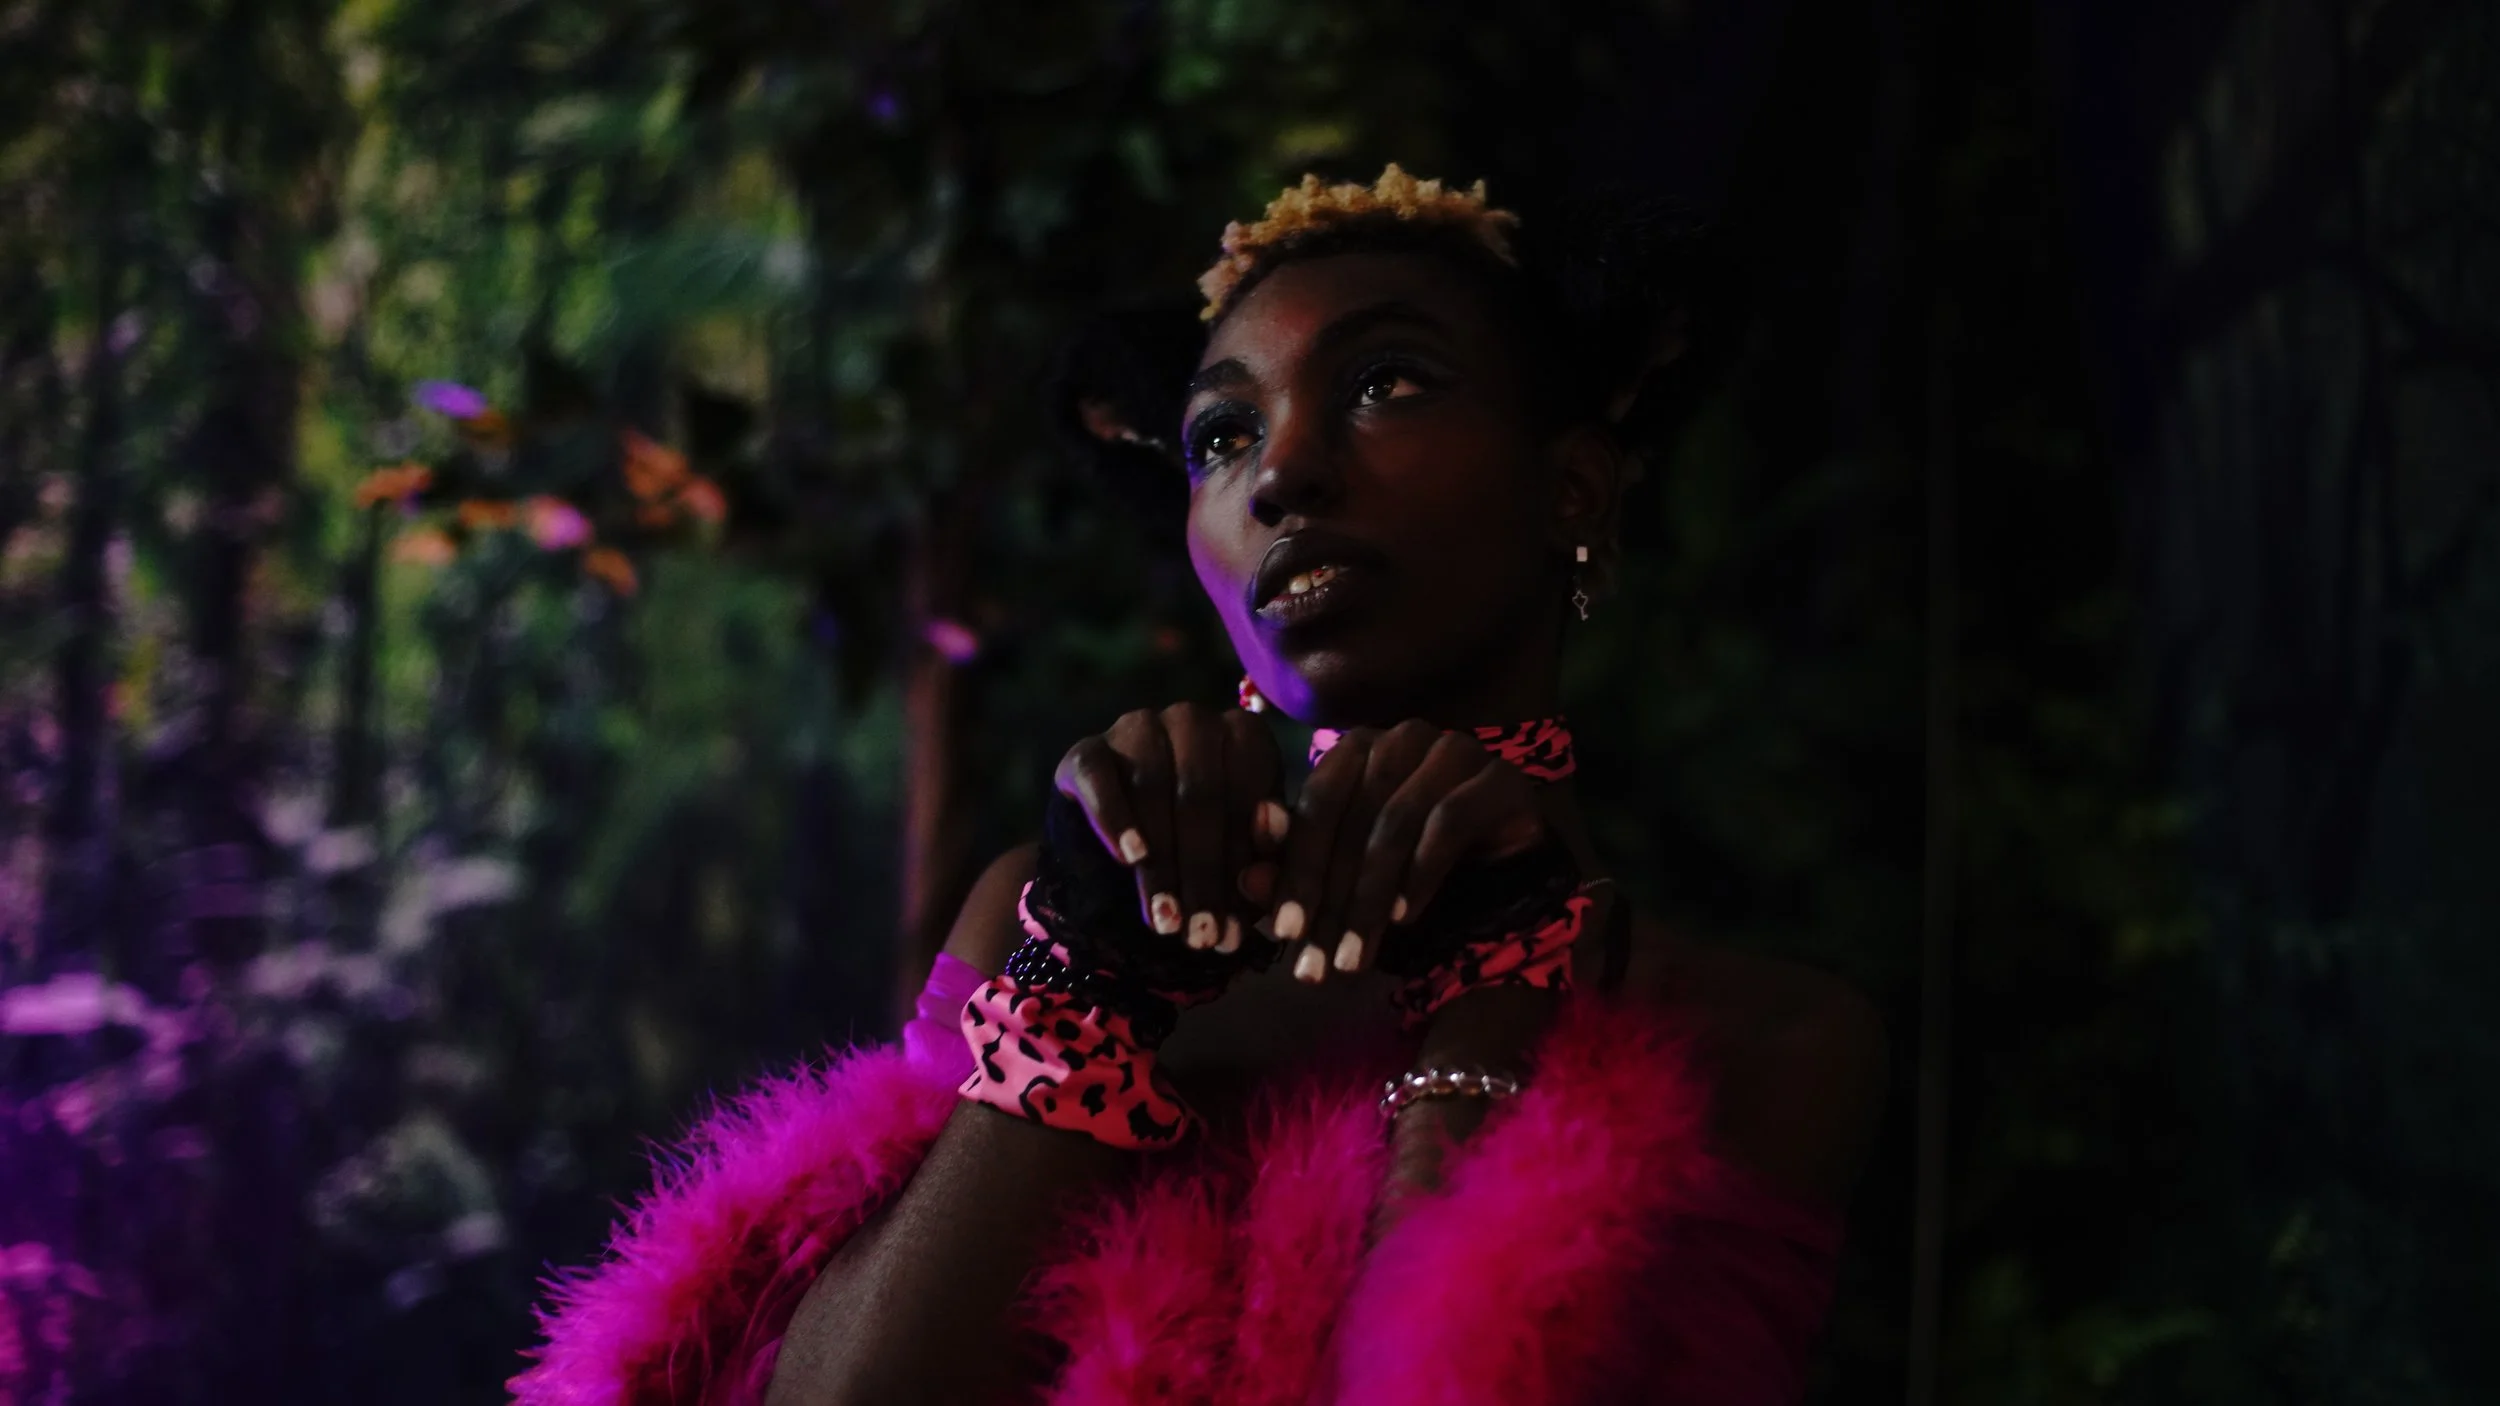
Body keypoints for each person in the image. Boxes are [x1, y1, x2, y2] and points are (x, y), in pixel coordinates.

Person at [509, 165, 1890, 1406]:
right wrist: (1090, 993)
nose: (1283, 470)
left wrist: (1492, 1014)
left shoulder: (1766, 1042)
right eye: (1222, 435)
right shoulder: (1040, 919)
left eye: (1386, 383)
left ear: (1576, 486)